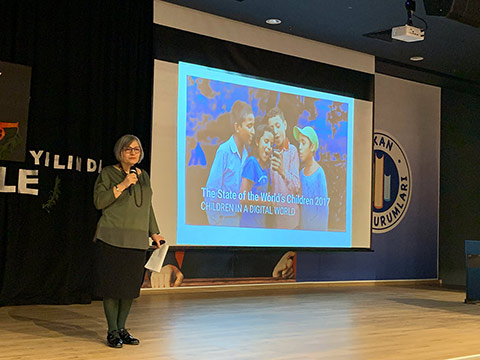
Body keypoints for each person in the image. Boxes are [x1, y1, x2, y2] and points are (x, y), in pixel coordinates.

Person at [93, 134, 165, 348]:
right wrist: (124, 184)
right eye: (128, 149)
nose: (133, 152)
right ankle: (112, 331)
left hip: (136, 240)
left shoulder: (144, 176)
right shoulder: (108, 173)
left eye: (137, 149)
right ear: (120, 152)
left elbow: (147, 207)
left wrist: (155, 232)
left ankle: (122, 328)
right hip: (112, 237)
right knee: (112, 289)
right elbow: (99, 202)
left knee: (128, 290)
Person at [204, 100, 255, 226]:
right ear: (237, 127)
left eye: (253, 126)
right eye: (249, 126)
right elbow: (211, 191)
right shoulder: (224, 151)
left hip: (241, 220)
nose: (253, 131)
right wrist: (216, 225)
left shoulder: (247, 154)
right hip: (224, 221)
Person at [265, 107, 300, 229]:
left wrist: (282, 171)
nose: (275, 131)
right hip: (274, 221)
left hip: (291, 221)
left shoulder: (292, 151)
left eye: (278, 125)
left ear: (284, 125)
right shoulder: (268, 152)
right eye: (271, 128)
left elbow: (296, 187)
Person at [293, 126, 329, 230]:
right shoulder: (301, 173)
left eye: (303, 143)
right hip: (304, 230)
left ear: (312, 147)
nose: (299, 147)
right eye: (299, 143)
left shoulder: (319, 173)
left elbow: (324, 209)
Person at [239, 124, 274, 228]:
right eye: (266, 141)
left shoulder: (267, 169)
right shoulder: (252, 162)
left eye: (271, 144)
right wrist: (264, 201)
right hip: (248, 226)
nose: (269, 147)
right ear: (257, 142)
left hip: (260, 226)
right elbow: (243, 197)